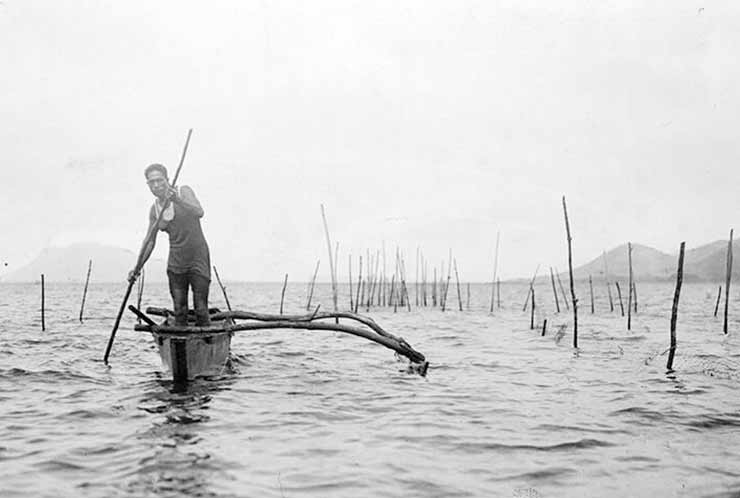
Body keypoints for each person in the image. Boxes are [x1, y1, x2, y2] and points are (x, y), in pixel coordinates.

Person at [129, 163, 212, 326]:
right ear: (148, 185)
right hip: (176, 262)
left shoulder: (183, 192)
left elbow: (199, 212)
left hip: (198, 258)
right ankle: (180, 340)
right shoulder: (155, 210)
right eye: (152, 182)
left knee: (201, 309)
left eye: (159, 180)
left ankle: (206, 339)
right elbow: (149, 241)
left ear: (167, 180)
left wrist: (177, 200)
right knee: (179, 310)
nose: (156, 185)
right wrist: (137, 268)